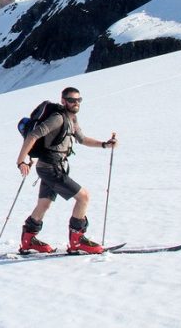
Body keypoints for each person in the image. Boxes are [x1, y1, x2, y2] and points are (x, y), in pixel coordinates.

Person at [15, 87, 118, 254]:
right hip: (50, 168)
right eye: (71, 100)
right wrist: (21, 161)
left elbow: (82, 139)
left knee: (44, 204)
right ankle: (77, 240)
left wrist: (105, 144)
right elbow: (33, 135)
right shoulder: (58, 118)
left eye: (78, 100)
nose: (75, 103)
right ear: (63, 101)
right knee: (83, 197)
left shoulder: (72, 119)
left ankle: (28, 240)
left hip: (51, 166)